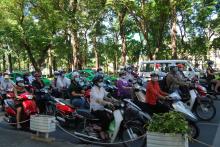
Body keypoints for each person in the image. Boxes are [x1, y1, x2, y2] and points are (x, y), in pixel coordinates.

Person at [90, 75, 114, 140]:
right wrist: (107, 103)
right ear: (96, 82)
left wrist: (113, 99)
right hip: (95, 109)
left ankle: (105, 129)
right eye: (100, 81)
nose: (102, 82)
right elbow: (98, 100)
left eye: (102, 81)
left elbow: (106, 95)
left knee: (111, 115)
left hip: (101, 108)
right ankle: (102, 131)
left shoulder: (101, 88)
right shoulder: (93, 89)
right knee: (106, 119)